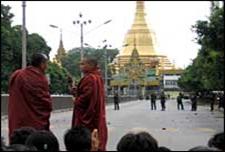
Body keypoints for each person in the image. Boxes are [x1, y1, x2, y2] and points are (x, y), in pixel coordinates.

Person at [8, 53, 52, 142]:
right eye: (46, 63)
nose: (46, 66)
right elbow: (45, 101)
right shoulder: (40, 78)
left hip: (17, 117)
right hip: (34, 121)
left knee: (18, 140)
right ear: (42, 64)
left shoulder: (17, 74)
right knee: (34, 141)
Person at [71, 57, 108, 151]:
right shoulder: (98, 78)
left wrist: (76, 100)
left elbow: (86, 98)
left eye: (83, 64)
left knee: (85, 141)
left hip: (89, 117)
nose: (80, 66)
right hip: (97, 114)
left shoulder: (90, 78)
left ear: (91, 66)